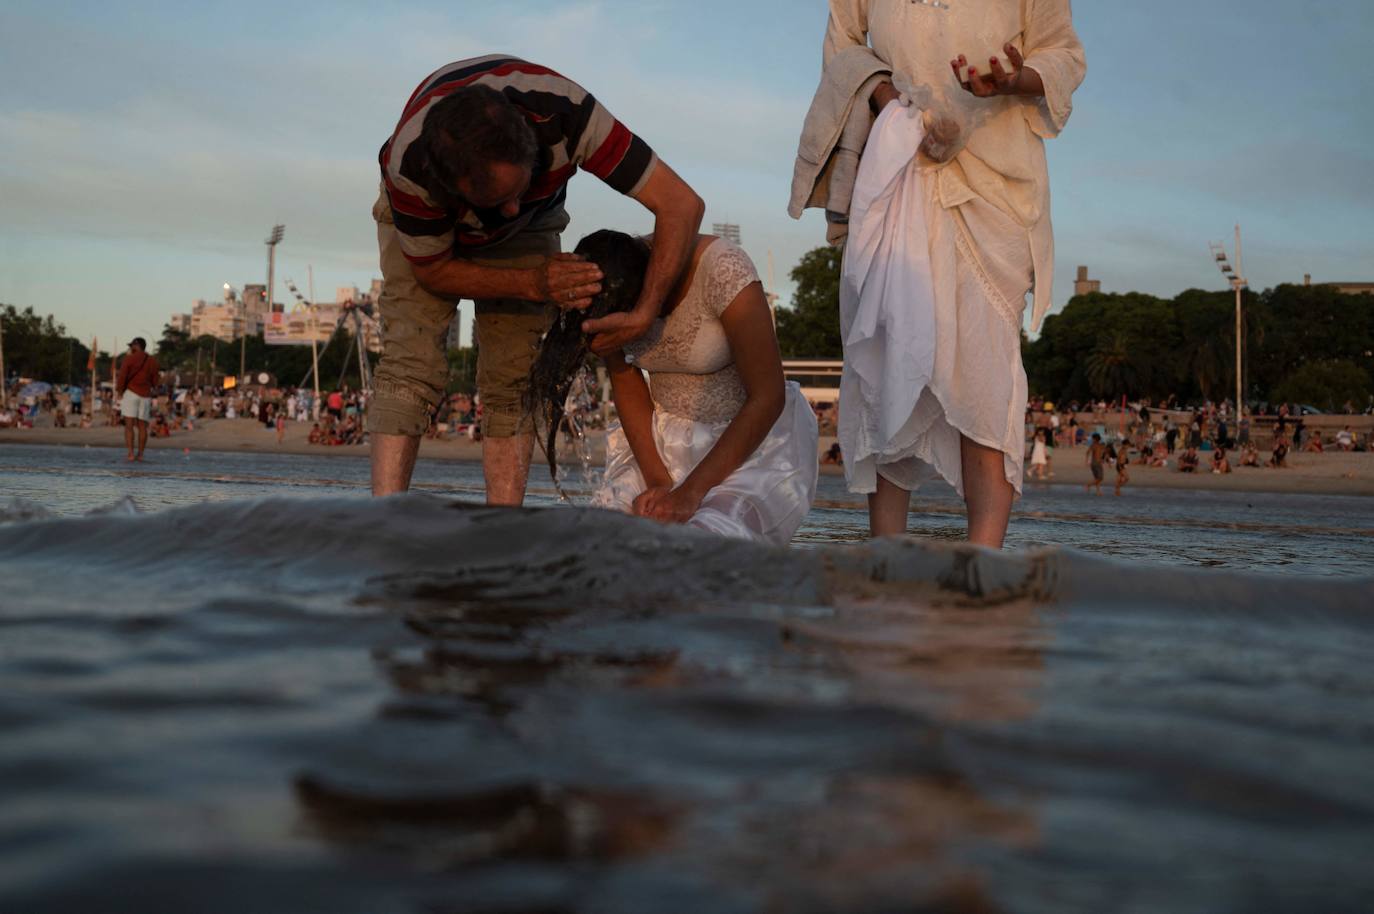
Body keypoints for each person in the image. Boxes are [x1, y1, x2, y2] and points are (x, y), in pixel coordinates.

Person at [807, 1, 1085, 546]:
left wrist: (1015, 79)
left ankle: (984, 563)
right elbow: (844, 47)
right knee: (886, 369)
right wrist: (894, 105)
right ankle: (884, 560)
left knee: (986, 376)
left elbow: (1064, 53)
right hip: (897, 177)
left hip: (997, 190)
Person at [368, 57, 705, 505]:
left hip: (536, 221)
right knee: (410, 363)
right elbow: (434, 272)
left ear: (533, 147)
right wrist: (533, 283)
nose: (506, 213)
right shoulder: (410, 165)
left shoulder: (565, 113)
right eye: (493, 202)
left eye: (515, 191)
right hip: (431, 237)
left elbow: (681, 204)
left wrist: (645, 310)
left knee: (515, 373)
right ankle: (383, 523)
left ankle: (503, 529)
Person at [527, 230, 819, 546]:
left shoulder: (722, 268)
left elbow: (768, 396)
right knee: (601, 543)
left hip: (749, 447)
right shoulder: (605, 290)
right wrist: (659, 483)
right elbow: (626, 380)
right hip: (658, 447)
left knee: (702, 546)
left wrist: (690, 494)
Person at [115, 337, 160, 462]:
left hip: (131, 393)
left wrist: (119, 391)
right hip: (145, 396)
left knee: (129, 426)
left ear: (137, 346)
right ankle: (140, 455)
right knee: (142, 427)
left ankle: (130, 453)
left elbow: (122, 376)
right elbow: (155, 381)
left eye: (131, 346)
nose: (130, 348)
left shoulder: (129, 359)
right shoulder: (152, 361)